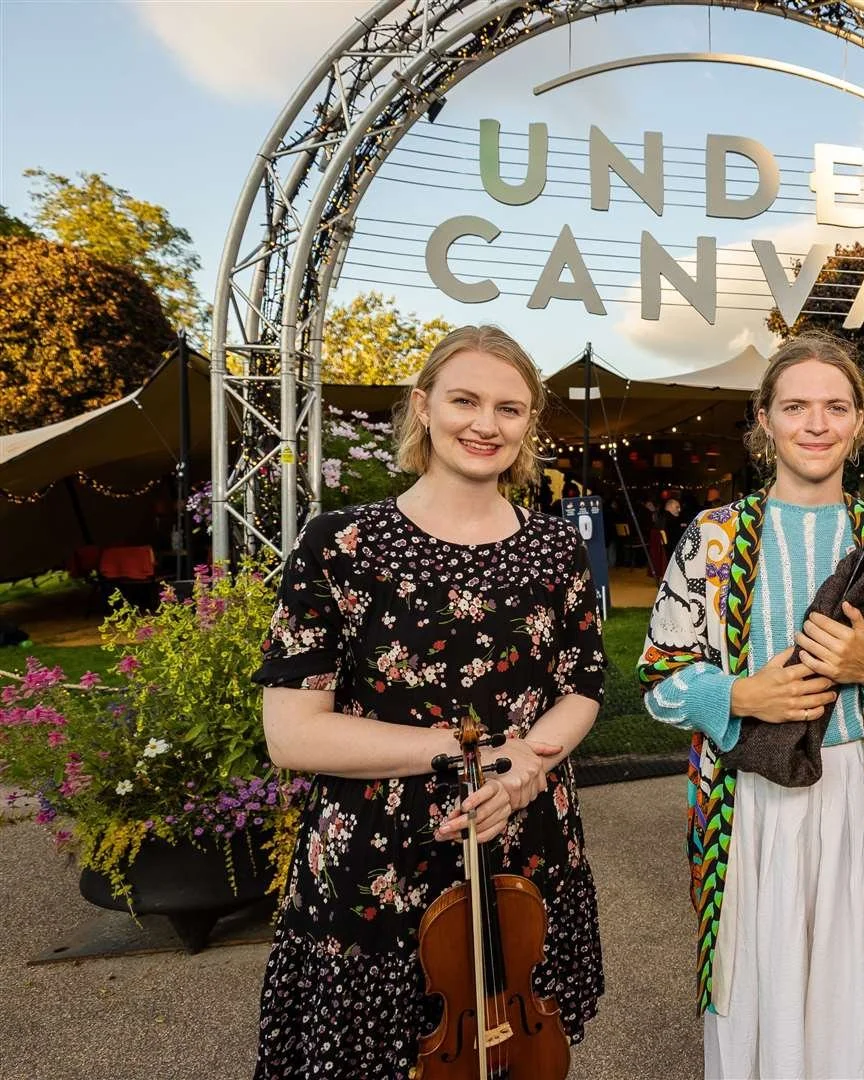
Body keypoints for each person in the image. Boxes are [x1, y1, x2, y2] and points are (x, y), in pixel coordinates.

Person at [251, 325, 607, 1078]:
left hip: (526, 842)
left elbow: (582, 688)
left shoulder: (555, 548)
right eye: (465, 400)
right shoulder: (340, 543)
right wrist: (469, 754)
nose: (486, 424)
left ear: (529, 425)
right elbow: (292, 734)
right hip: (380, 863)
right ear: (423, 407)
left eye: (510, 409)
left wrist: (522, 768)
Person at [636, 334, 864, 1080]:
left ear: (859, 425)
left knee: (855, 1003)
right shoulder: (711, 540)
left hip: (859, 800)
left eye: (836, 407)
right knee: (760, 990)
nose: (817, 423)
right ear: (765, 420)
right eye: (797, 406)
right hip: (746, 803)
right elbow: (658, 677)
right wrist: (740, 693)